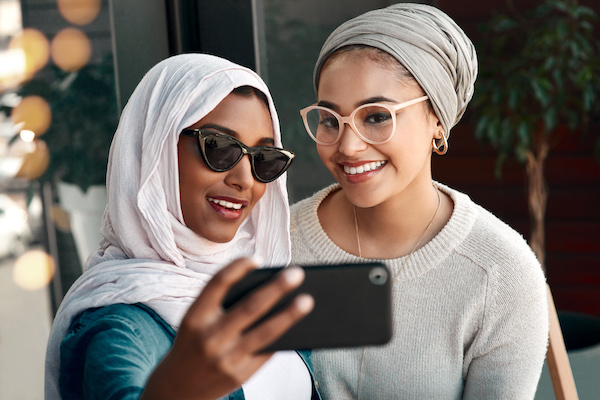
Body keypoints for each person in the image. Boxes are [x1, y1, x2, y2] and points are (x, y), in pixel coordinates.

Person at [291, 3, 549, 399]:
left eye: (376, 116)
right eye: (330, 119)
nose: (348, 146)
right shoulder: (276, 242)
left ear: (437, 120)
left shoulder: (498, 273)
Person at [45, 53, 321, 400]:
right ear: (156, 150)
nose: (244, 179)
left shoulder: (260, 288)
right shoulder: (119, 328)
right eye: (219, 148)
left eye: (263, 159)